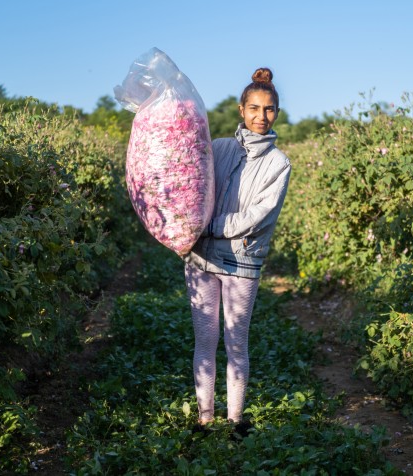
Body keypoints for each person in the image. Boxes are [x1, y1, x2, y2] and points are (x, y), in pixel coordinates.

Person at [184, 67, 291, 435]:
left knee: (235, 344)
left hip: (242, 262)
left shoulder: (279, 164)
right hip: (200, 260)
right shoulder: (219, 149)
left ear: (277, 112)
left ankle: (234, 423)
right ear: (241, 110)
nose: (262, 116)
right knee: (205, 341)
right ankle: (204, 418)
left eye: (270, 109)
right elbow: (194, 186)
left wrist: (211, 226)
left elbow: (258, 216)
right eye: (255, 108)